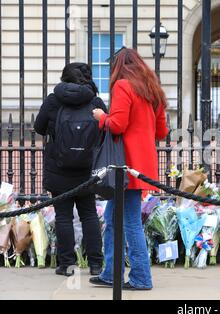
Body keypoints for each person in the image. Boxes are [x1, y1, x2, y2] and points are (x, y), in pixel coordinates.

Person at [90, 48, 168, 290]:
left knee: (130, 221)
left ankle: (141, 278)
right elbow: (162, 132)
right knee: (114, 218)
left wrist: (102, 116)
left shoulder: (123, 86)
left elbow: (117, 125)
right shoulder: (152, 89)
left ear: (119, 66)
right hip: (141, 162)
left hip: (126, 164)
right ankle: (110, 273)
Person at [34, 62, 106, 276]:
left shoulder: (53, 100)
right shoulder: (95, 101)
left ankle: (66, 264)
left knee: (63, 216)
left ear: (64, 78)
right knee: (89, 215)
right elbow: (105, 128)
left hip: (59, 167)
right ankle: (95, 264)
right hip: (87, 169)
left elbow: (39, 127)